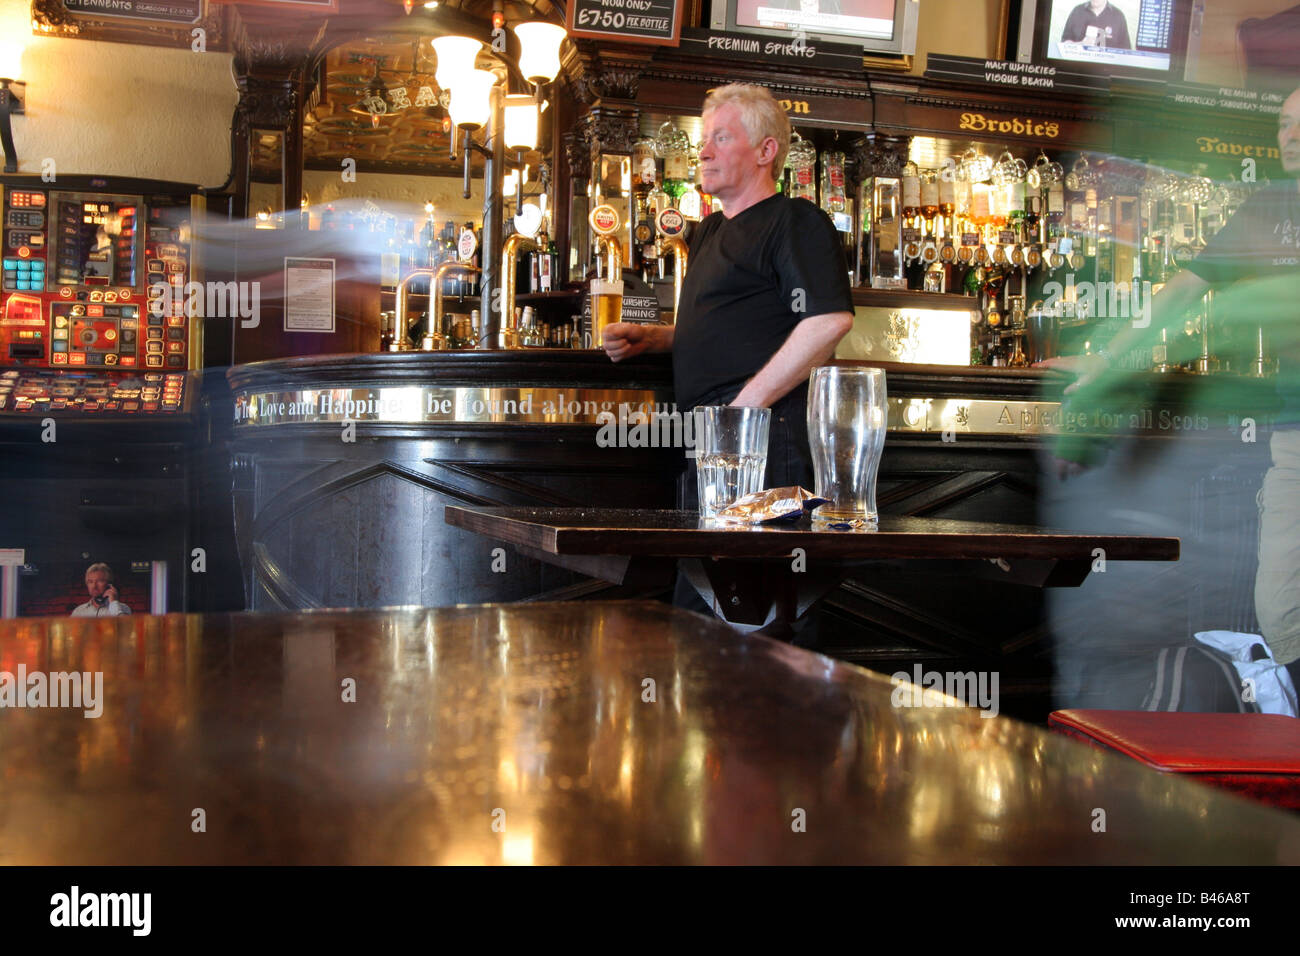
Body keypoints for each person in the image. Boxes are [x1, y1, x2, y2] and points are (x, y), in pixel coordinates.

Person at [1046, 82, 1300, 694]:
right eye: (1285, 125)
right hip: (1295, 437)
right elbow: (1182, 288)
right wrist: (1105, 360)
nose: (1289, 136)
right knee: (1283, 611)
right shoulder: (1269, 208)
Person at [602, 84, 855, 633]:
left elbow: (828, 321)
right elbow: (731, 326)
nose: (705, 151)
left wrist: (745, 411)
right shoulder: (712, 230)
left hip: (765, 438)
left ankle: (777, 716)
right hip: (716, 436)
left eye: (721, 137)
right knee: (708, 605)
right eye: (703, 140)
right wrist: (658, 337)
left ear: (766, 151)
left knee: (752, 615)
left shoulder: (796, 221)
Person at [1060, 0, 1131, 50]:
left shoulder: (1118, 16)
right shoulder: (1077, 11)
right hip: (1079, 67)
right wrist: (1081, 45)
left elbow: (1126, 51)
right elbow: (1064, 44)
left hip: (1107, 69)